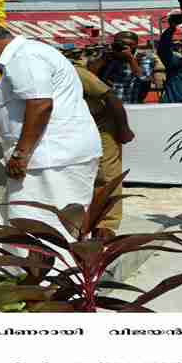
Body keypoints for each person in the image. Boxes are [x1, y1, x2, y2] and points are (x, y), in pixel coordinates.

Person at [0, 20, 102, 242]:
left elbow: (40, 105)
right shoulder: (19, 58)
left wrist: (20, 154)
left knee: (45, 228)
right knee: (22, 222)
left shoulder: (25, 57)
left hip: (52, 158)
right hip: (48, 158)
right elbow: (13, 108)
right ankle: (28, 274)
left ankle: (51, 275)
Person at [61, 45, 135, 234]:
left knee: (106, 174)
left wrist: (123, 129)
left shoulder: (74, 72)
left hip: (102, 124)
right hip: (74, 128)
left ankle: (106, 224)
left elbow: (111, 98)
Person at [89, 31, 154, 104]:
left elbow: (144, 78)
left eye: (129, 44)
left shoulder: (142, 57)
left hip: (130, 101)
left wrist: (130, 59)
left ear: (136, 45)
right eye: (121, 43)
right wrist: (103, 58)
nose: (124, 46)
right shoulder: (107, 55)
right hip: (105, 103)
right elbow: (90, 74)